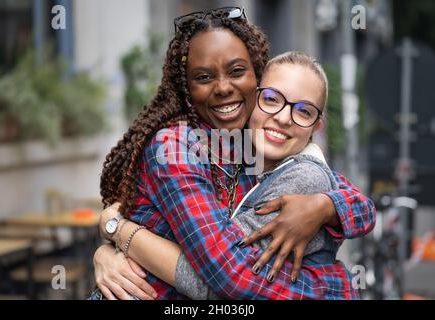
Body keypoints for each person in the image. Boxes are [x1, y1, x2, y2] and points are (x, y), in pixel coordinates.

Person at [93, 7, 375, 300]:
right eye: (203, 77)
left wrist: (326, 207)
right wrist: (116, 230)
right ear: (185, 88)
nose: (224, 88)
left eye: (237, 71)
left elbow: (357, 201)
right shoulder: (177, 147)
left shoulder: (247, 143)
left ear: (256, 77)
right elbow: (229, 276)